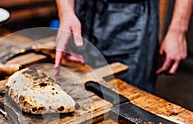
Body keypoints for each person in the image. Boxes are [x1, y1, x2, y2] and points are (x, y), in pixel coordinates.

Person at [55, 0, 193, 93]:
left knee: (131, 104)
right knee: (80, 97)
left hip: (132, 17)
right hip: (81, 12)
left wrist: (178, 30)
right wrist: (66, 12)